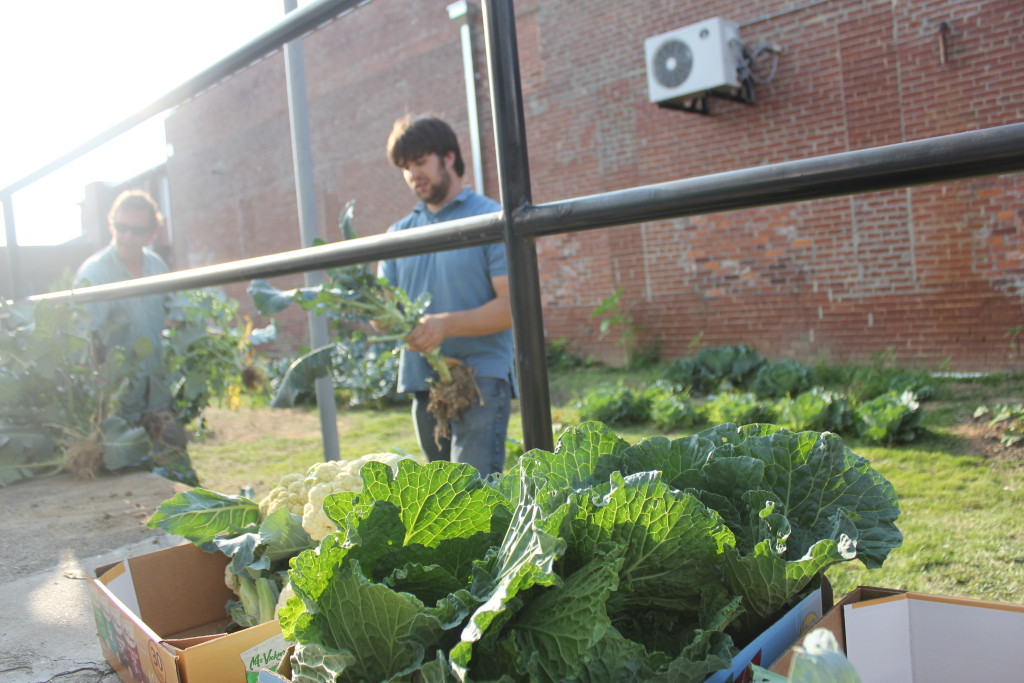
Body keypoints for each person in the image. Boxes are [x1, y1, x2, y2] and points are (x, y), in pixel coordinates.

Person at [378, 114, 515, 476]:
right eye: (405, 168)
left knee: (473, 497)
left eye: (420, 162)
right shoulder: (397, 234)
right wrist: (384, 318)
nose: (412, 175)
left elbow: (511, 309)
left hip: (479, 377)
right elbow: (382, 309)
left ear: (449, 158)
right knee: (440, 498)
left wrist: (444, 325)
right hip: (422, 380)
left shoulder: (491, 218)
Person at [75, 190, 192, 479]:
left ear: (152, 233)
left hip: (158, 391)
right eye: (120, 227)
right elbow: (82, 338)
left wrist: (196, 328)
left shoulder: (155, 265)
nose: (126, 236)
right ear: (110, 223)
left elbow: (174, 309)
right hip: (120, 399)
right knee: (129, 478)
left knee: (179, 473)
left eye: (136, 230)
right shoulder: (94, 273)